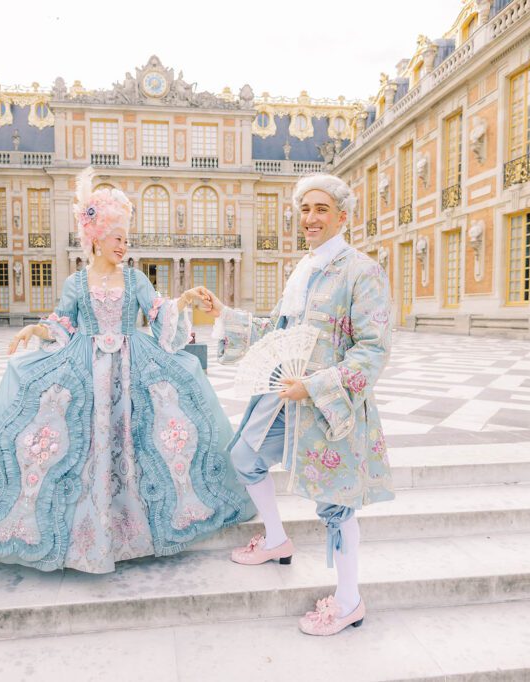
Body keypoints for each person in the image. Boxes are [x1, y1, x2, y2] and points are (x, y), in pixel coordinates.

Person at [0, 168, 254, 573]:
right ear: (97, 236)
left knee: (149, 437)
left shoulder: (135, 278)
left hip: (134, 366)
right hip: (86, 367)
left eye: (127, 239)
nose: (124, 245)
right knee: (71, 441)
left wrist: (182, 300)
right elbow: (64, 323)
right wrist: (37, 328)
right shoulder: (76, 283)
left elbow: (157, 314)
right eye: (118, 238)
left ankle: (135, 527)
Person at [200, 173, 394, 635]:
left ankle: (349, 602)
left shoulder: (361, 271)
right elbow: (279, 333)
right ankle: (276, 538)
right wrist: (226, 315)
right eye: (305, 209)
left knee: (335, 505)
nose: (310, 218)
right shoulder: (303, 268)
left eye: (321, 209)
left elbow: (373, 350)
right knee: (245, 455)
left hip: (327, 406)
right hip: (282, 398)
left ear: (342, 216)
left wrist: (315, 386)